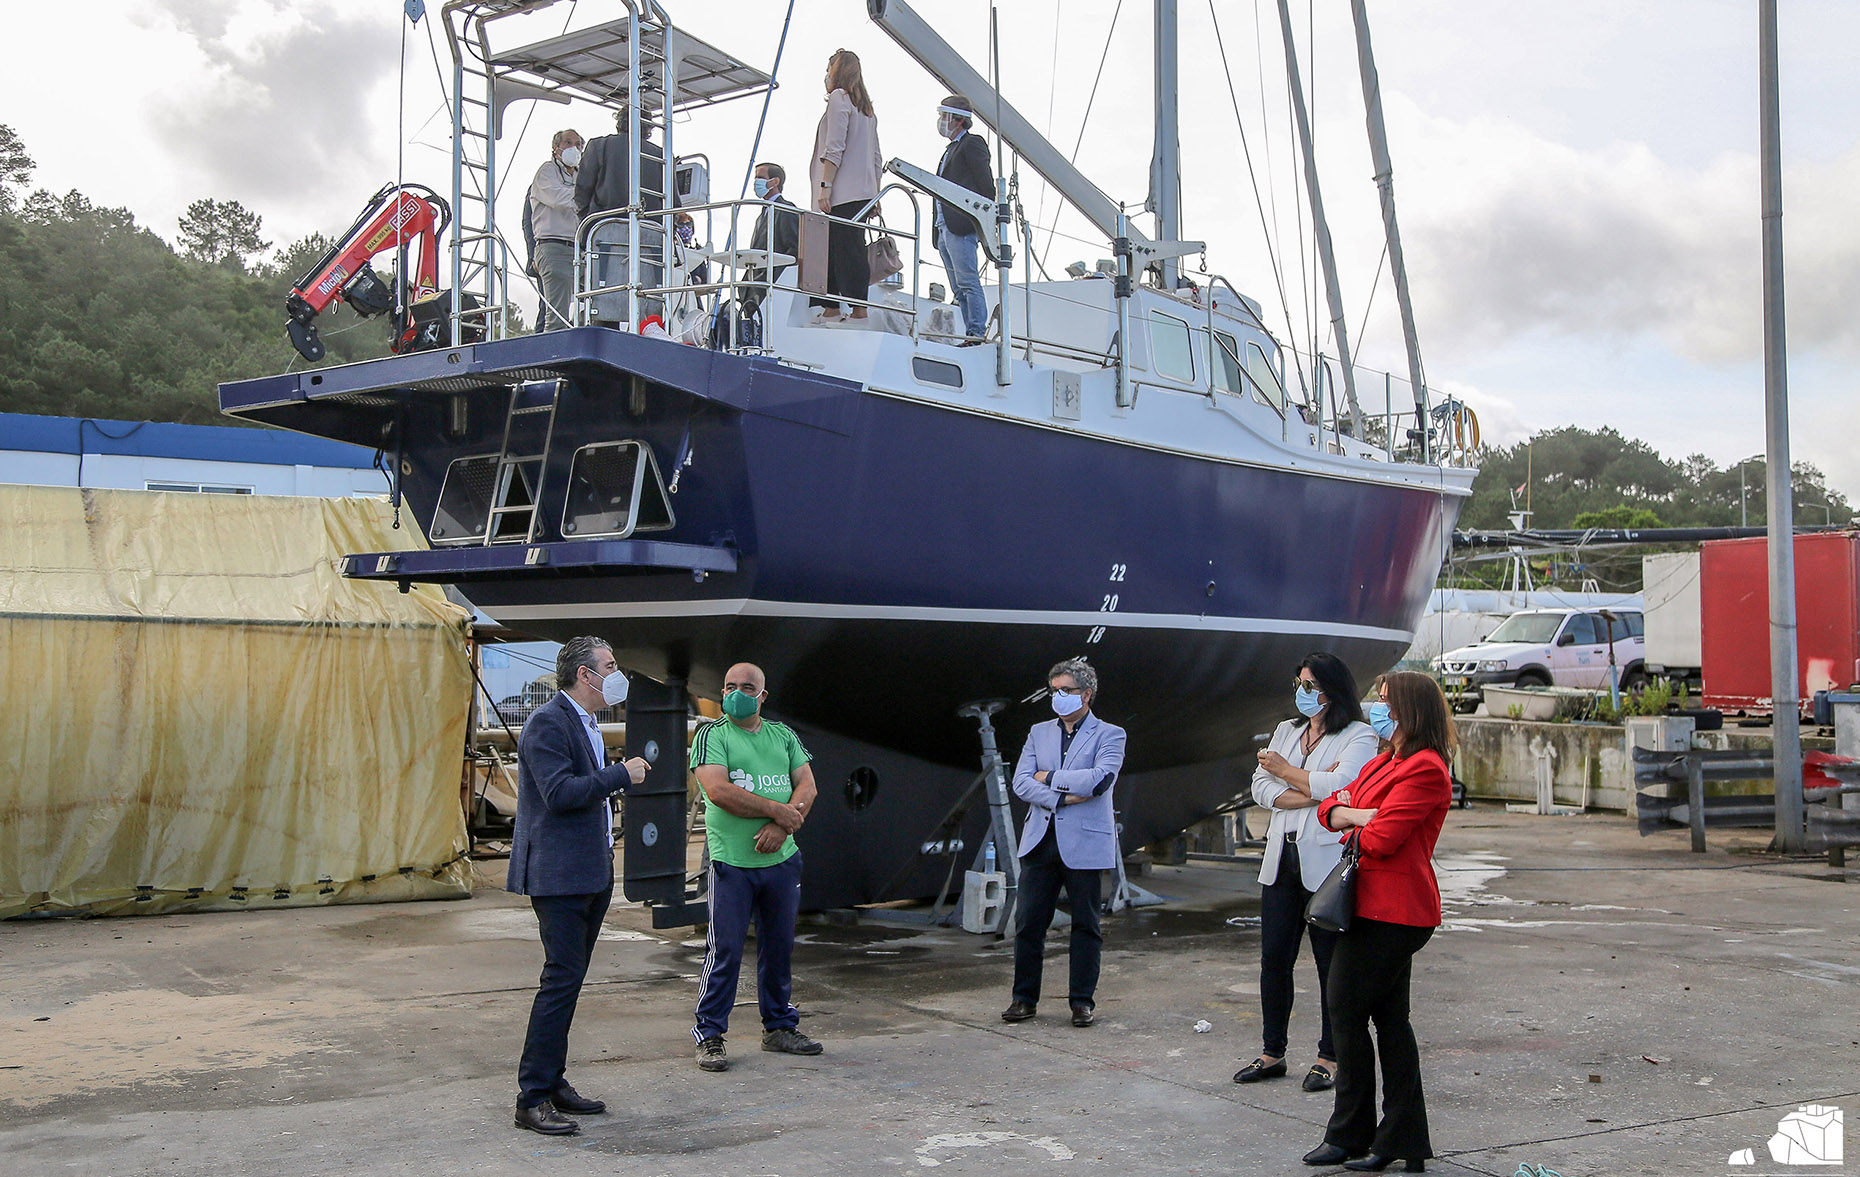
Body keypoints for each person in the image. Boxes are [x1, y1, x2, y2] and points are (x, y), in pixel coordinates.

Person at [1302, 671, 1455, 1173]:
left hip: (1395, 911)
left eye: (1386, 701)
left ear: (1410, 710)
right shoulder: (1383, 760)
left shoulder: (1427, 768)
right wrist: (1357, 814)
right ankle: (1402, 1140)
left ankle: (1351, 1134)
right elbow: (1328, 809)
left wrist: (1358, 817)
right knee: (1390, 1022)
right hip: (1366, 905)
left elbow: (1382, 839)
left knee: (1344, 1009)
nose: (1377, 708)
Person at [508, 637, 650, 1136]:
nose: (617, 673)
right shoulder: (548, 722)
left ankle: (553, 1081)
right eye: (610, 666)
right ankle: (531, 1097)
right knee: (561, 979)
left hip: (590, 871)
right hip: (559, 875)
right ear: (585, 675)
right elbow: (560, 793)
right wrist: (619, 774)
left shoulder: (587, 722)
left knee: (570, 981)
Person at [1237, 653, 1378, 1093]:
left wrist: (1286, 773)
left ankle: (1329, 1055)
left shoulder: (1360, 735)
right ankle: (1272, 1051)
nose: (1304, 692)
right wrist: (1305, 786)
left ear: (1334, 689)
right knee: (1274, 960)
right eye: (1300, 682)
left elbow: (1345, 787)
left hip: (1325, 863)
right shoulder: (1287, 730)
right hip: (1281, 858)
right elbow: (1260, 788)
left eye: (1312, 684)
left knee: (1329, 965)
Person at [690, 662, 823, 1072]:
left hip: (782, 861)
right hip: (732, 862)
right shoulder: (712, 735)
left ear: (762, 696)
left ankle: (779, 1027)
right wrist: (780, 813)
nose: (736, 693)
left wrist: (782, 827)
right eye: (729, 686)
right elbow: (717, 790)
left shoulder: (783, 736)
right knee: (725, 949)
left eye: (746, 687)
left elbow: (808, 786)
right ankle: (709, 1034)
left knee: (779, 946)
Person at [1002, 657, 1126, 1028]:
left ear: (1086, 694)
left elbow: (1099, 781)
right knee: (1028, 924)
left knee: (1086, 925)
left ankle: (1081, 1002)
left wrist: (1049, 776)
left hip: (1085, 843)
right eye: (1054, 690)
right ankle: (1023, 999)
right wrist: (1061, 795)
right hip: (1041, 840)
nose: (1058, 697)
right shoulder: (1038, 732)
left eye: (1066, 691)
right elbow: (1021, 782)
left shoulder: (1110, 734)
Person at [574, 106, 667, 326]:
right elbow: (672, 203)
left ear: (619, 122)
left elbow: (581, 193)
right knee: (649, 310)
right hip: (651, 241)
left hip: (604, 237)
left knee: (602, 308)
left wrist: (588, 222)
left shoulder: (599, 146)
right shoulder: (661, 155)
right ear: (649, 128)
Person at [809, 49, 882, 321]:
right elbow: (876, 157)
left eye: (829, 68)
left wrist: (825, 186)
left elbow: (834, 146)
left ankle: (844, 309)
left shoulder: (839, 100)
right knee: (848, 248)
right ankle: (844, 308)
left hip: (840, 191)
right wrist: (874, 194)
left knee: (835, 250)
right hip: (862, 192)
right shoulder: (867, 110)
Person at [931, 95, 994, 344]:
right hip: (944, 225)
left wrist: (978, 217)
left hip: (959, 224)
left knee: (968, 281)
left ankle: (976, 332)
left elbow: (985, 186)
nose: (940, 122)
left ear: (957, 119)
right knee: (958, 287)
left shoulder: (971, 144)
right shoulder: (949, 150)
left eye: (943, 116)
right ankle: (971, 330)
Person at [526, 129, 583, 331]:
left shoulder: (581, 175)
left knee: (594, 306)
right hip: (554, 247)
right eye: (568, 142)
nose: (573, 148)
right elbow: (558, 198)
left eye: (578, 144)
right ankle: (553, 360)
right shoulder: (546, 171)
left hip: (580, 249)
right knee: (557, 316)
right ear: (555, 147)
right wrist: (586, 196)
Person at [739, 161, 800, 316]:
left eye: (760, 177)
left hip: (770, 288)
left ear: (775, 182)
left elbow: (793, 249)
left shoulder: (785, 209)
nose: (756, 182)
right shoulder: (762, 215)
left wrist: (771, 279)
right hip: (754, 291)